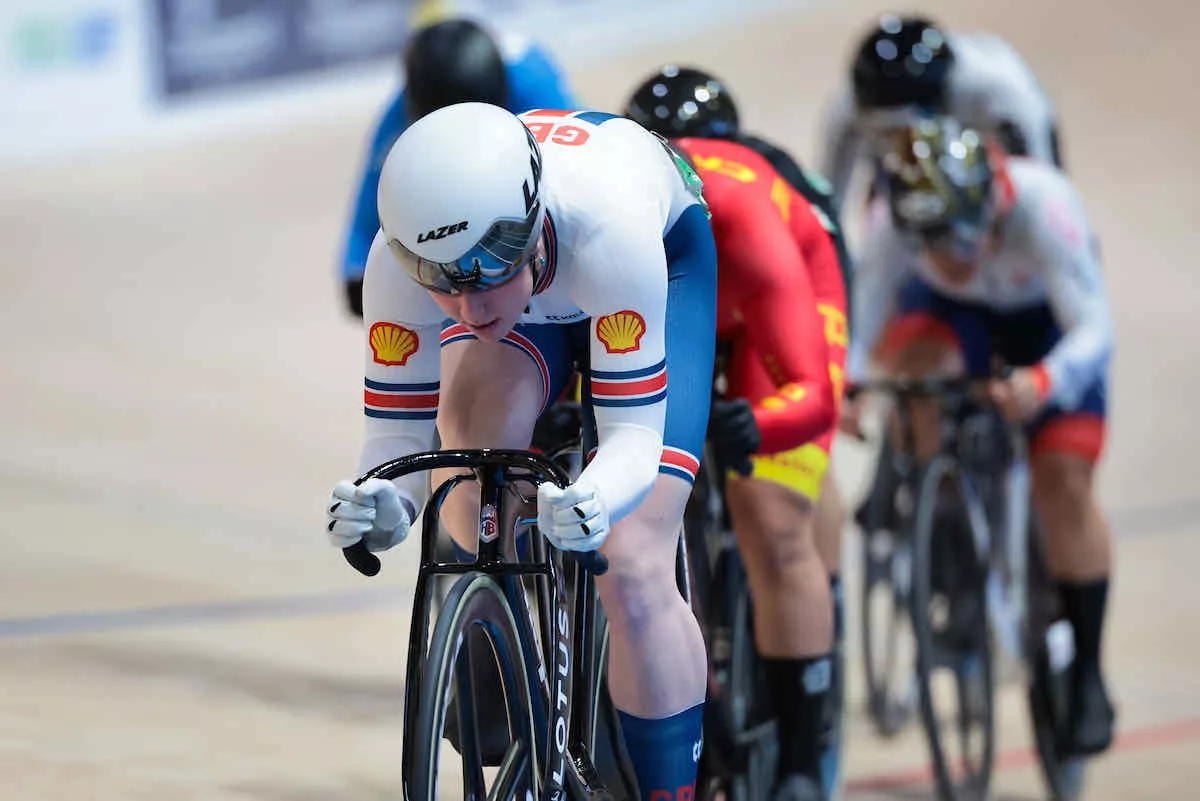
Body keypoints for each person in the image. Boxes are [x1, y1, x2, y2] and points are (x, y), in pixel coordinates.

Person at [325, 101, 717, 801]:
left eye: (487, 264)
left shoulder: (611, 231)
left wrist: (599, 497)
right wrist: (385, 507)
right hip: (536, 295)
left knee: (632, 563)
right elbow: (397, 443)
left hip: (657, 256)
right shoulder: (400, 262)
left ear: (533, 220)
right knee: (470, 475)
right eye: (440, 279)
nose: (469, 306)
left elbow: (631, 436)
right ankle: (531, 698)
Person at [842, 114, 1116, 757]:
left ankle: (1087, 672)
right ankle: (937, 518)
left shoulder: (1045, 206)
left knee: (1065, 482)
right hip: (950, 319)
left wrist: (1046, 382)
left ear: (993, 203)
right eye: (934, 243)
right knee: (911, 382)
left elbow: (1095, 329)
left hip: (1045, 326)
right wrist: (850, 392)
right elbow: (863, 320)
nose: (952, 258)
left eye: (964, 238)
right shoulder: (890, 221)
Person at [626, 67, 851, 801]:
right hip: (693, 302)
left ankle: (798, 752)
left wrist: (759, 421)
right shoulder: (628, 200)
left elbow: (812, 394)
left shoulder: (756, 205)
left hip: (781, 295)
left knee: (771, 513)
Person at [337, 16, 577, 317]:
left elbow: (572, 176)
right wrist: (358, 269)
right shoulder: (402, 112)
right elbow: (372, 203)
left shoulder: (534, 86)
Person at [817, 13, 1064, 216]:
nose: (897, 139)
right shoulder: (847, 111)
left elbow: (1045, 188)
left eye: (899, 131)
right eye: (886, 133)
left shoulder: (999, 92)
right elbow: (828, 199)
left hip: (994, 132)